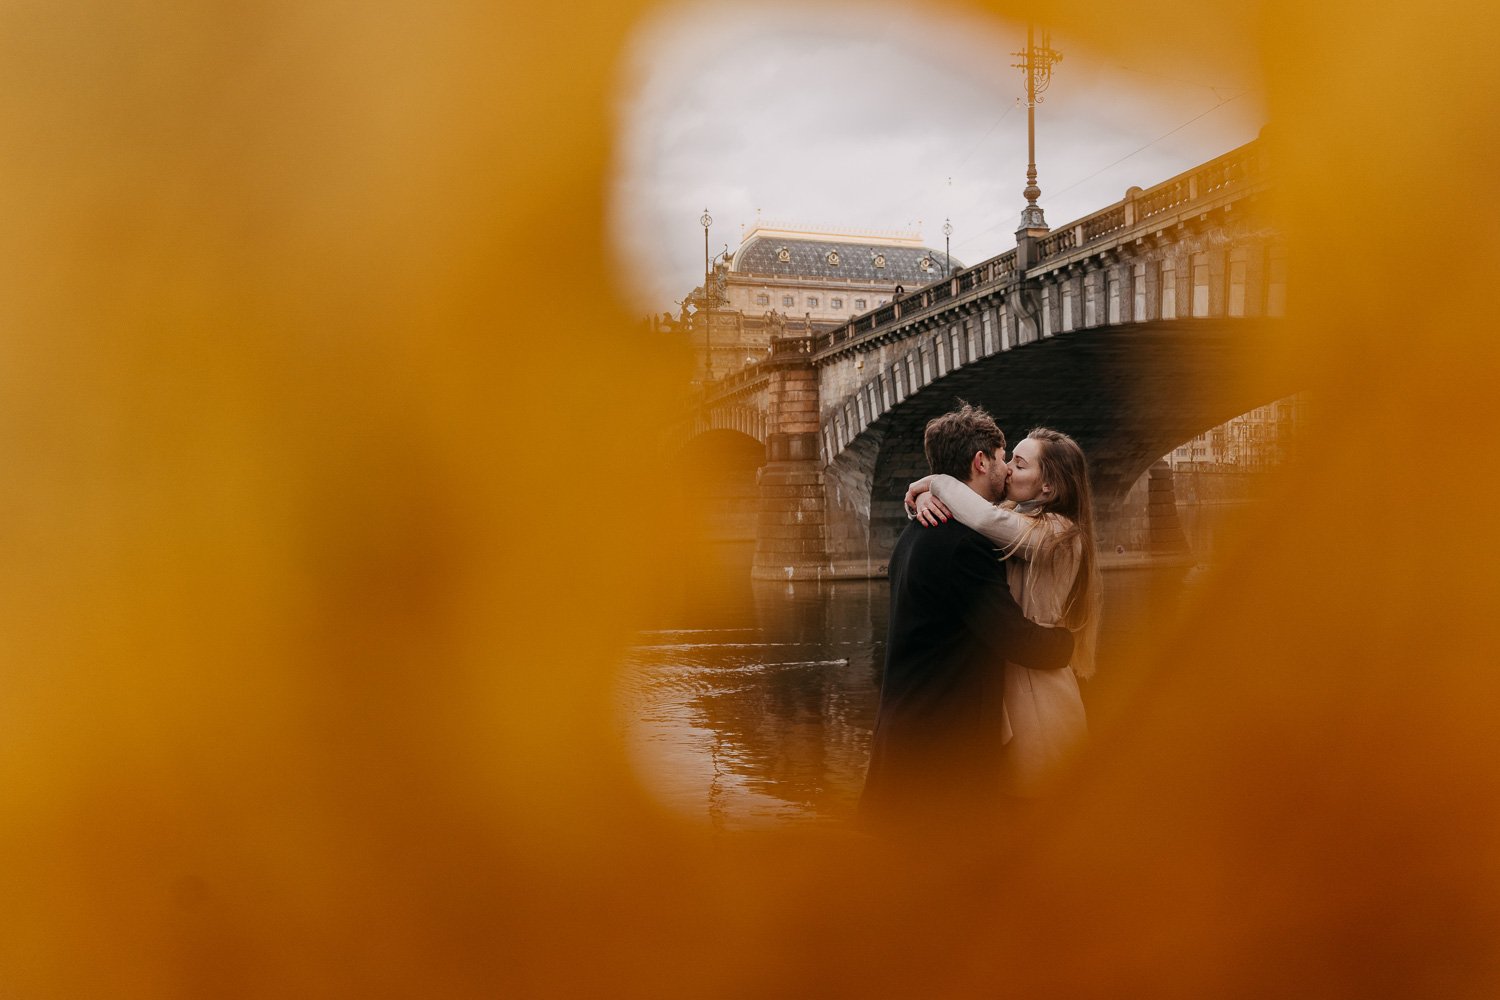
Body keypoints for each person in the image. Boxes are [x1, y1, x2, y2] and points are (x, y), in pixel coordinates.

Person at [860, 405, 1074, 833]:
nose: (1007, 470)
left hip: (905, 742)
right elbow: (1013, 637)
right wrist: (1070, 642)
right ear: (981, 462)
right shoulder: (964, 545)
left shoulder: (916, 532)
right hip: (941, 755)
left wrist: (923, 492)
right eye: (1002, 457)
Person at [904, 428, 1101, 797]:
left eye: (1019, 464)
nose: (1007, 469)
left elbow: (987, 521)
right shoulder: (1017, 516)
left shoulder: (1061, 533)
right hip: (1013, 676)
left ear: (1048, 489)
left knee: (1043, 800)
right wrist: (925, 498)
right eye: (1008, 459)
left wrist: (936, 482)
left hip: (1038, 684)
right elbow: (979, 515)